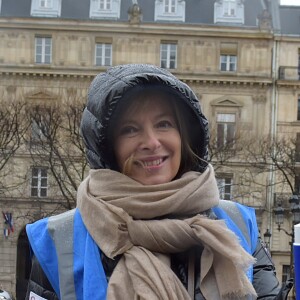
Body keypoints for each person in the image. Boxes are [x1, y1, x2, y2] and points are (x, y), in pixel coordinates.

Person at [25, 64, 292, 300]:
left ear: (184, 135)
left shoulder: (238, 224)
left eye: (164, 124)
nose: (152, 142)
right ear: (107, 148)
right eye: (130, 129)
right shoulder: (58, 240)